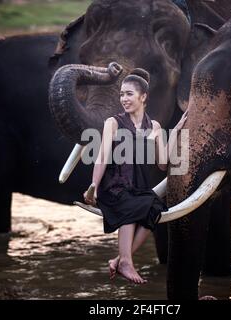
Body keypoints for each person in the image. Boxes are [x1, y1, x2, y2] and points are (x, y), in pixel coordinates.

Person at [83, 68, 188, 284]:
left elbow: (161, 163)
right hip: (114, 186)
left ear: (143, 97)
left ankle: (120, 258)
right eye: (121, 94)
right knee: (131, 205)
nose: (124, 98)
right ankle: (126, 263)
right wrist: (93, 185)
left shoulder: (155, 127)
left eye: (129, 94)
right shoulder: (114, 123)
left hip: (138, 187)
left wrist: (176, 130)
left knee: (155, 210)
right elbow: (102, 157)